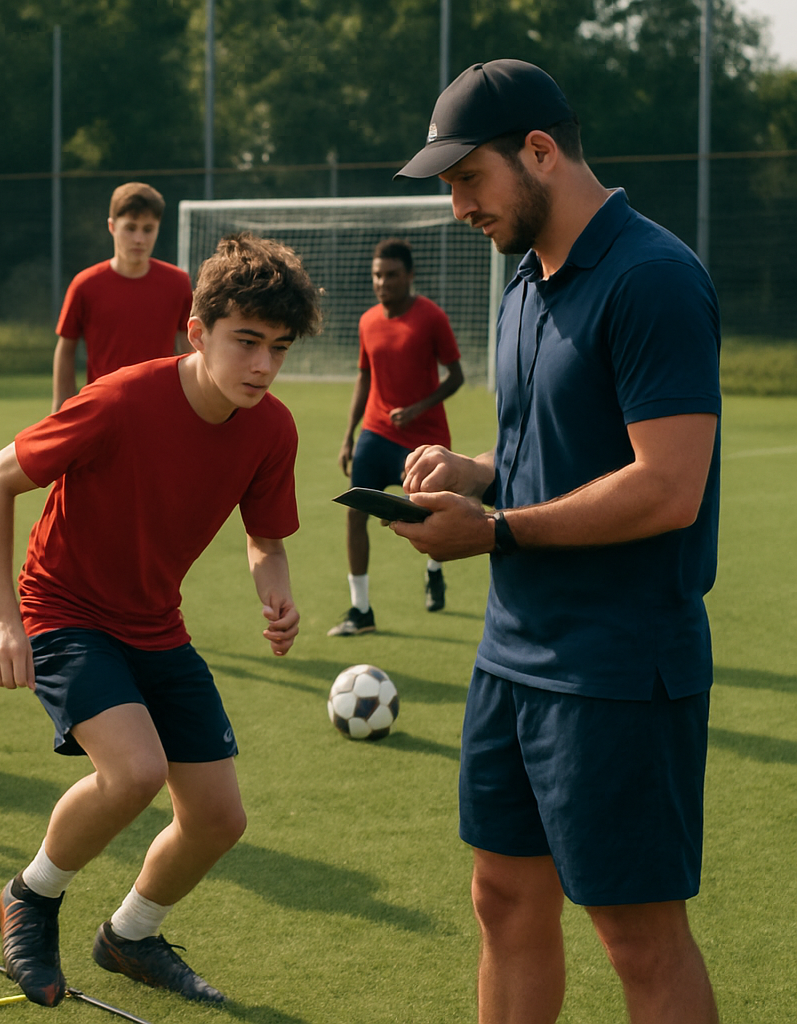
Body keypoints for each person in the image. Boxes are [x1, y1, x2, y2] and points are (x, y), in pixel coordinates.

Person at [390, 60, 721, 1023]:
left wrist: (493, 528)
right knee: (500, 896)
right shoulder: (526, 279)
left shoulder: (654, 277)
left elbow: (668, 486)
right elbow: (556, 441)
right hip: (514, 652)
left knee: (637, 936)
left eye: (467, 179)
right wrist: (480, 472)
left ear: (539, 151)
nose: (457, 207)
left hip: (619, 662)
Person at [0, 233, 321, 1005]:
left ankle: (129, 935)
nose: (263, 365)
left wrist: (277, 587)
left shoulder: (273, 429)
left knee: (218, 818)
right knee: (133, 772)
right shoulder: (125, 399)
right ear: (197, 334)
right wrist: (1, 619)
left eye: (279, 348)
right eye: (246, 342)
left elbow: (264, 538)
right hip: (63, 606)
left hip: (155, 622)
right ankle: (31, 896)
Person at [329, 237, 463, 636]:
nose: (382, 283)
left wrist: (420, 407)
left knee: (430, 515)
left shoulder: (431, 318)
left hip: (422, 438)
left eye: (391, 275)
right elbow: (364, 377)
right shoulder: (367, 321)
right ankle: (361, 611)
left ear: (409, 276)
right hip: (375, 431)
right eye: (377, 275)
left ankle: (434, 570)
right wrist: (349, 435)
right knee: (356, 512)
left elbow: (456, 377)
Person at [52, 182, 193, 412]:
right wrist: (61, 404)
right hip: (102, 408)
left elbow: (188, 347)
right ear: (112, 227)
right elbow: (66, 348)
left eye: (148, 229)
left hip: (159, 407)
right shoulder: (85, 285)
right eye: (130, 227)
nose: (139, 238)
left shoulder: (178, 283)